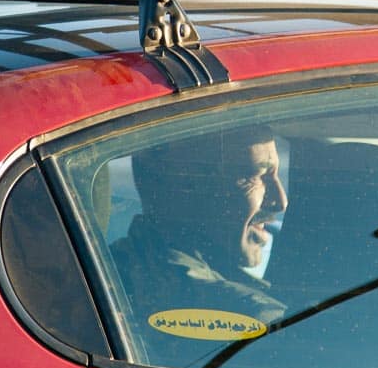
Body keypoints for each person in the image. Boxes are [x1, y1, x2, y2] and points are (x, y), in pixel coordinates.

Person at [111, 125, 289, 350]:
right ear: (183, 187)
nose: (280, 201)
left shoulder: (111, 265)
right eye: (256, 175)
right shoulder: (258, 319)